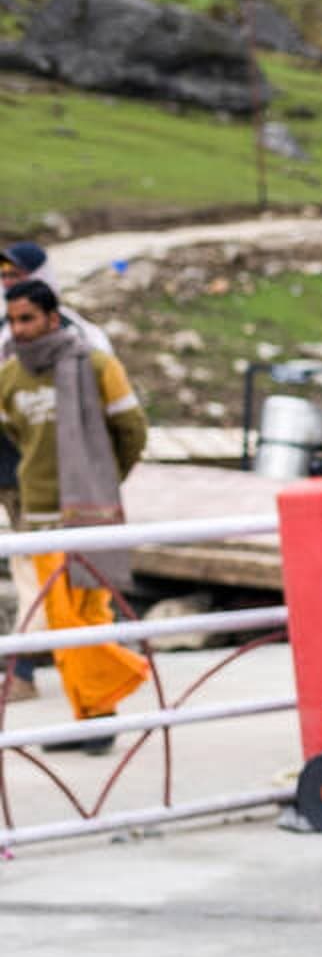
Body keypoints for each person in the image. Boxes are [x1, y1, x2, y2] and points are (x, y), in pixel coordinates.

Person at [0, 280, 149, 748]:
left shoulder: (98, 366)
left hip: (89, 514)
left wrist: (104, 481)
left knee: (89, 615)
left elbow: (132, 430)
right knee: (64, 623)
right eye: (13, 320)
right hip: (39, 518)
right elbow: (17, 437)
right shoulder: (9, 377)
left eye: (27, 318)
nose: (20, 329)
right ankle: (93, 713)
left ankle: (102, 708)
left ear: (50, 316)